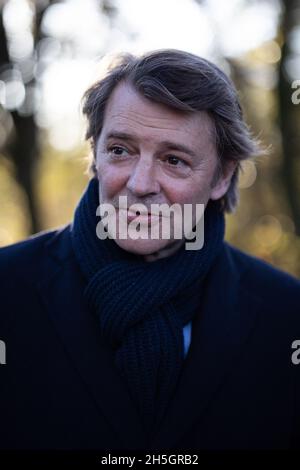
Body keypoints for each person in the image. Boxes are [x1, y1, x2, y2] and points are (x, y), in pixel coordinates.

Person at [0, 49, 300, 451]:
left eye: (173, 160)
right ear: (96, 153)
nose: (140, 184)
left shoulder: (286, 315)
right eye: (121, 150)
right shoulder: (8, 292)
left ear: (221, 177)